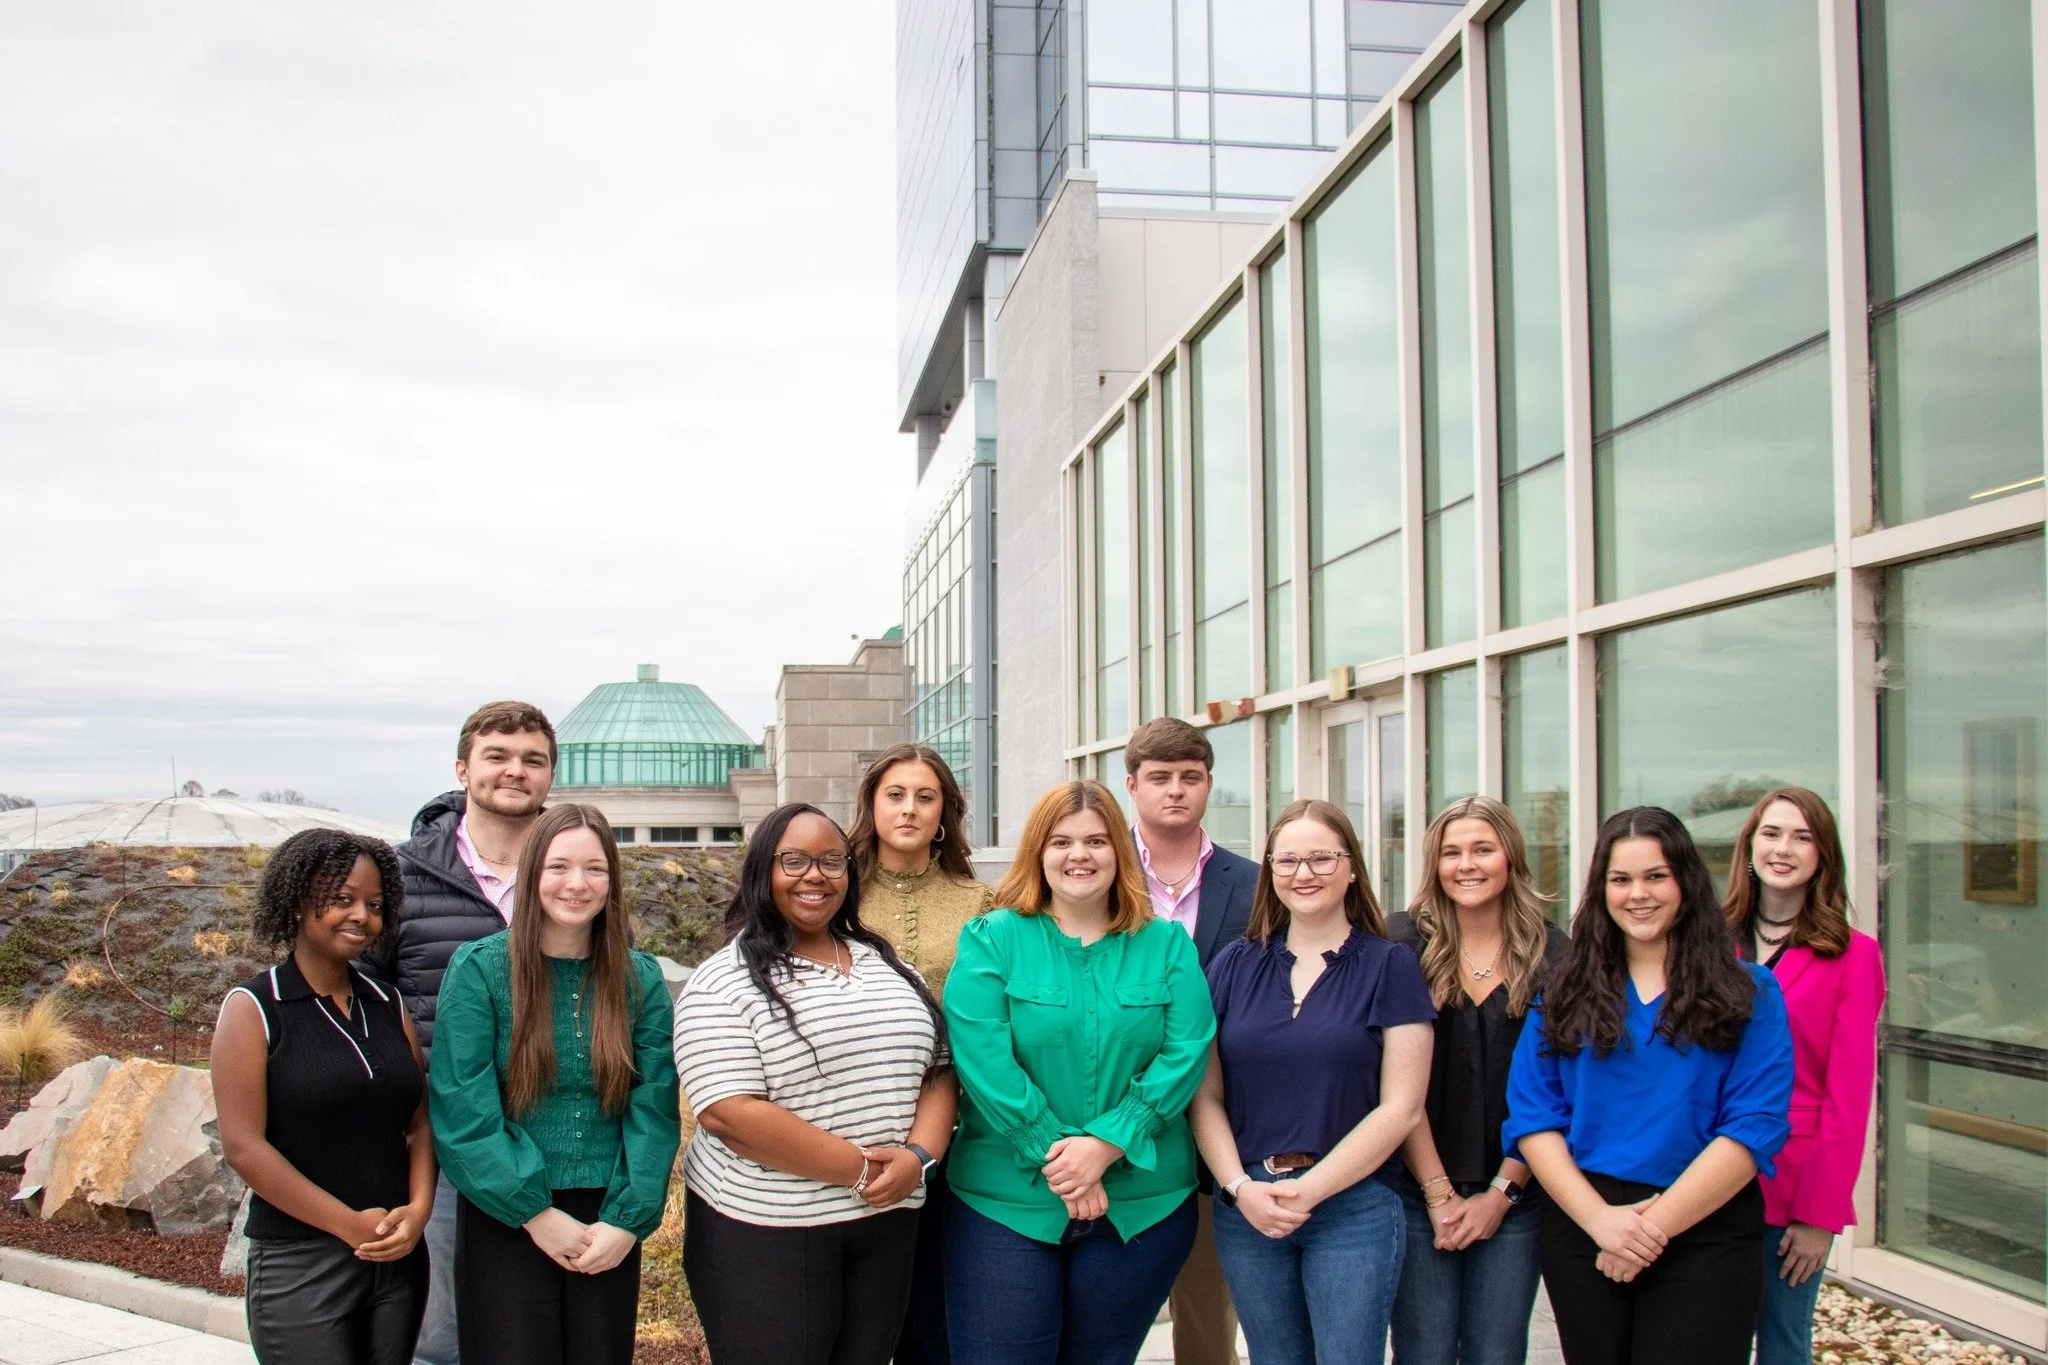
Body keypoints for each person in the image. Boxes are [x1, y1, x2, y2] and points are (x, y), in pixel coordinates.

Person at [1504, 807, 1794, 1365]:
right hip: (1584, 1225)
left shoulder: (1749, 992)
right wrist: (1599, 1223)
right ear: (1601, 889)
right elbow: (1534, 1116)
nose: (1639, 894)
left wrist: (1648, 1231)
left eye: (1655, 876)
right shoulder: (1560, 992)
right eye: (1621, 879)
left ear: (1685, 880)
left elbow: (1754, 1126)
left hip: (1706, 1228)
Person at [943, 780, 1215, 1365]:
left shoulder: (1167, 945)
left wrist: (1109, 1144)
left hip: (1142, 1204)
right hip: (1005, 1201)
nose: (1079, 855)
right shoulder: (993, 939)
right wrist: (1064, 1158)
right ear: (1038, 853)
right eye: (1061, 841)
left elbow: (1187, 1050)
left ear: (1120, 850)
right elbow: (981, 1057)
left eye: (1096, 840)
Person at [675, 802, 957, 1365]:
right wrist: (861, 1171)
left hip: (886, 1221)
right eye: (794, 861)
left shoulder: (888, 963)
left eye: (832, 860)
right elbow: (729, 1113)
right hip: (767, 1232)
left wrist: (918, 1158)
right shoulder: (722, 981)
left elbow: (939, 1068)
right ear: (762, 872)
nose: (815, 875)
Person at [428, 804, 680, 1365]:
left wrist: (626, 1221)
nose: (577, 884)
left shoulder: (639, 979)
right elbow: (462, 1108)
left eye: (594, 869)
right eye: (559, 866)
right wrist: (535, 1214)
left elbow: (654, 1108)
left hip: (608, 1220)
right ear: (532, 872)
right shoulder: (478, 970)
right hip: (507, 1215)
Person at [1191, 798, 1435, 1364]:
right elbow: (1205, 1096)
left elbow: (1402, 1108)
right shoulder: (1232, 964)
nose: (1304, 874)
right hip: (1249, 1205)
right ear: (1270, 871)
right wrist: (1237, 1188)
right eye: (1288, 861)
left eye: (1321, 859)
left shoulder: (1390, 965)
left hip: (1355, 1208)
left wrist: (1313, 1188)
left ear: (1351, 868)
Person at [373, 699, 557, 1365]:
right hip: (443, 1138)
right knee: (439, 1333)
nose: (515, 771)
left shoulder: (574, 873)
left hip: (557, 1131)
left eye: (532, 759)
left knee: (539, 1323)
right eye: (497, 756)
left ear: (550, 776)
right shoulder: (398, 876)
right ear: (462, 767)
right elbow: (368, 1001)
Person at [213, 829, 435, 1363]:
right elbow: (244, 1146)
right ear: (295, 901)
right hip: (301, 1263)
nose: (361, 915)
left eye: (374, 905)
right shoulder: (255, 1008)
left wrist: (420, 1210)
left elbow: (420, 1122)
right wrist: (346, 1224)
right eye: (341, 899)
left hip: (396, 1257)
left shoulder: (387, 1003)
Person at [1388, 796, 1568, 1365]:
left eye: (1482, 850)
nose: (1467, 864)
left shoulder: (1554, 952)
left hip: (1517, 1194)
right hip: (1415, 1193)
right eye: (1451, 852)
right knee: (1424, 1352)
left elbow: (1559, 1090)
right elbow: (1395, 1090)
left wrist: (1501, 1194)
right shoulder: (1402, 946)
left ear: (1511, 858)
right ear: (1434, 864)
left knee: (1497, 1353)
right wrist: (1438, 1192)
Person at [1722, 789, 1885, 1365]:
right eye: (1771, 833)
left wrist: (1819, 1215)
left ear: (1823, 856)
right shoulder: (1710, 941)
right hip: (1700, 1169)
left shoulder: (1854, 955)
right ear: (1750, 846)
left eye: (1802, 836)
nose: (1783, 849)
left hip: (1792, 1183)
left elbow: (1849, 1094)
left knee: (1784, 1338)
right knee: (1705, 1334)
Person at [847, 743, 994, 1364]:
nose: (909, 809)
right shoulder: (835, 893)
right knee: (863, 1304)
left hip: (964, 1126)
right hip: (857, 1122)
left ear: (945, 812)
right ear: (872, 806)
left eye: (925, 797)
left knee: (938, 1302)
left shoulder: (981, 903)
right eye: (895, 795)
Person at [1121, 718, 1258, 1365]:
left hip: (1218, 1127)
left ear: (1208, 783)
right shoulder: (1091, 867)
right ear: (1132, 784)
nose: (1175, 790)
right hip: (1108, 1121)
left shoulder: (1257, 884)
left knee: (1207, 1324)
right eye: (1159, 777)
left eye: (1190, 776)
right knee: (1103, 1317)